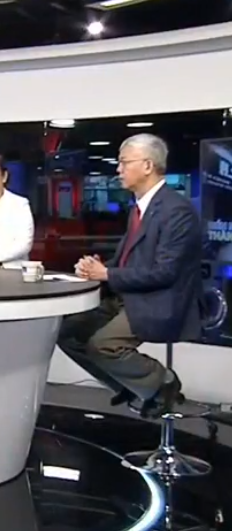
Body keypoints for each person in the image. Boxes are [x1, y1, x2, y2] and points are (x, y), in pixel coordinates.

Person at [57, 134, 201, 418]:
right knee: (67, 333)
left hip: (159, 301)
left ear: (147, 166)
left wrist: (107, 273)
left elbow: (164, 272)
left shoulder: (176, 211)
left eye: (124, 162)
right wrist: (97, 269)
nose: (118, 169)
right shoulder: (139, 208)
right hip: (129, 296)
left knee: (104, 346)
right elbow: (130, 260)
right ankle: (131, 387)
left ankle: (162, 383)